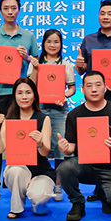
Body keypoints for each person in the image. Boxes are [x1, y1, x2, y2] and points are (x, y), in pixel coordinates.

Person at [0, 0, 39, 202]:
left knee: (23, 137)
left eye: (14, 8)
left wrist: (27, 58)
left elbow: (36, 64)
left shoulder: (28, 36)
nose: (10, 12)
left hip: (21, 96)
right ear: (0, 11)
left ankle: (21, 179)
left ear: (19, 10)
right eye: (6, 8)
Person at [56, 71, 111, 221]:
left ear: (105, 87)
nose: (94, 89)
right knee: (64, 168)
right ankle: (77, 203)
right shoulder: (74, 115)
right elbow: (71, 147)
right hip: (85, 166)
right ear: (82, 89)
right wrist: (64, 148)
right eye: (89, 86)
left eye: (98, 85)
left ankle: (104, 195)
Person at [0, 78, 55, 218]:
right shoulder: (9, 120)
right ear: (14, 96)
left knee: (38, 202)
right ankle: (16, 208)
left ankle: (37, 201)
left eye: (28, 92)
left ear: (35, 95)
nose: (24, 97)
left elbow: (45, 152)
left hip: (41, 171)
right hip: (18, 169)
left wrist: (40, 143)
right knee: (16, 171)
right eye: (20, 93)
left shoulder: (43, 119)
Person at [29, 29, 77, 202]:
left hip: (59, 109)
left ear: (61, 44)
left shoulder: (66, 64)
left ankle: (58, 184)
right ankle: (35, 181)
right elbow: (30, 85)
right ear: (43, 43)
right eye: (49, 41)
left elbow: (72, 88)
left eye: (56, 42)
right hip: (39, 109)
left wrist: (64, 95)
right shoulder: (36, 63)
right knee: (36, 144)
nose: (52, 45)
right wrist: (35, 68)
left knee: (59, 147)